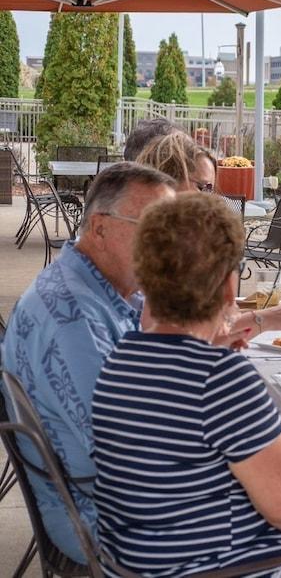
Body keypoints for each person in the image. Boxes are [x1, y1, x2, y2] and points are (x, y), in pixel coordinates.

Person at [91, 193, 281, 576]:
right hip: (227, 568)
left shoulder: (120, 358)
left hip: (136, 564)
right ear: (228, 288)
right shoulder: (219, 378)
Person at [1, 163, 176, 563]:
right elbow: (126, 459)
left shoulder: (108, 288)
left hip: (109, 497)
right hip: (103, 521)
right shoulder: (74, 320)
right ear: (100, 228)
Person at [137, 131, 281, 341]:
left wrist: (255, 321)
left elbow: (201, 329)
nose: (209, 198)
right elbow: (176, 337)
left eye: (211, 188)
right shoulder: (146, 252)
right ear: (165, 181)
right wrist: (262, 320)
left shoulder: (168, 244)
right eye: (203, 187)